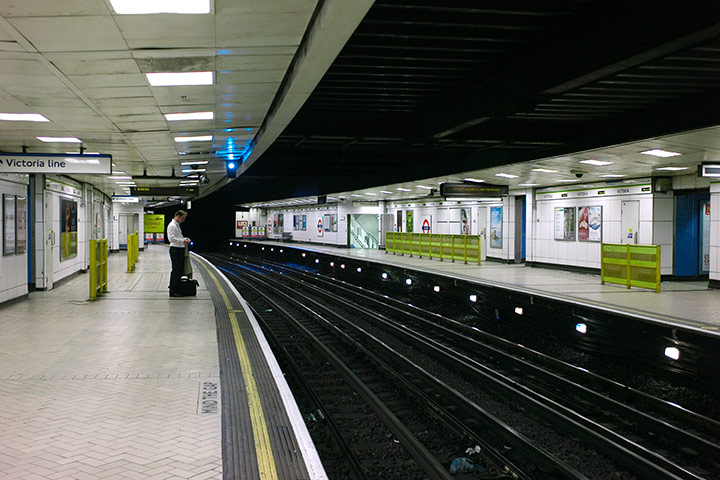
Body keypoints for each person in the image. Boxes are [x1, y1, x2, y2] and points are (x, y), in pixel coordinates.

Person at [167, 210, 190, 297]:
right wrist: (183, 241)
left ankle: (175, 288)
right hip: (175, 250)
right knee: (176, 271)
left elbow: (177, 237)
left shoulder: (177, 225)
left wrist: (184, 239)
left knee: (178, 271)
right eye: (183, 218)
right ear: (178, 216)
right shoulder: (172, 226)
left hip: (178, 249)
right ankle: (173, 291)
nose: (183, 220)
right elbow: (171, 239)